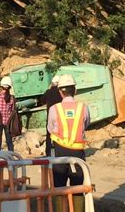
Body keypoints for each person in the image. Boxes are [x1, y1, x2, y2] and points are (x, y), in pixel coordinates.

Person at [47, 74, 90, 212]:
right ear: (75, 90)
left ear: (60, 92)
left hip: (60, 153)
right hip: (78, 154)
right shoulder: (84, 108)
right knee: (77, 188)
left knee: (59, 188)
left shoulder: (54, 109)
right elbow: (86, 124)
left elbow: (50, 129)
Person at [38, 75, 62, 156]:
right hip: (61, 117)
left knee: (49, 135)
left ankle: (48, 153)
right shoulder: (61, 92)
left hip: (51, 117)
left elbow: (42, 100)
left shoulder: (48, 92)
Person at [0, 76, 15, 151]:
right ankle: (11, 160)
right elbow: (13, 111)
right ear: (10, 86)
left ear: (1, 86)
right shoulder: (12, 98)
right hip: (8, 123)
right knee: (9, 142)